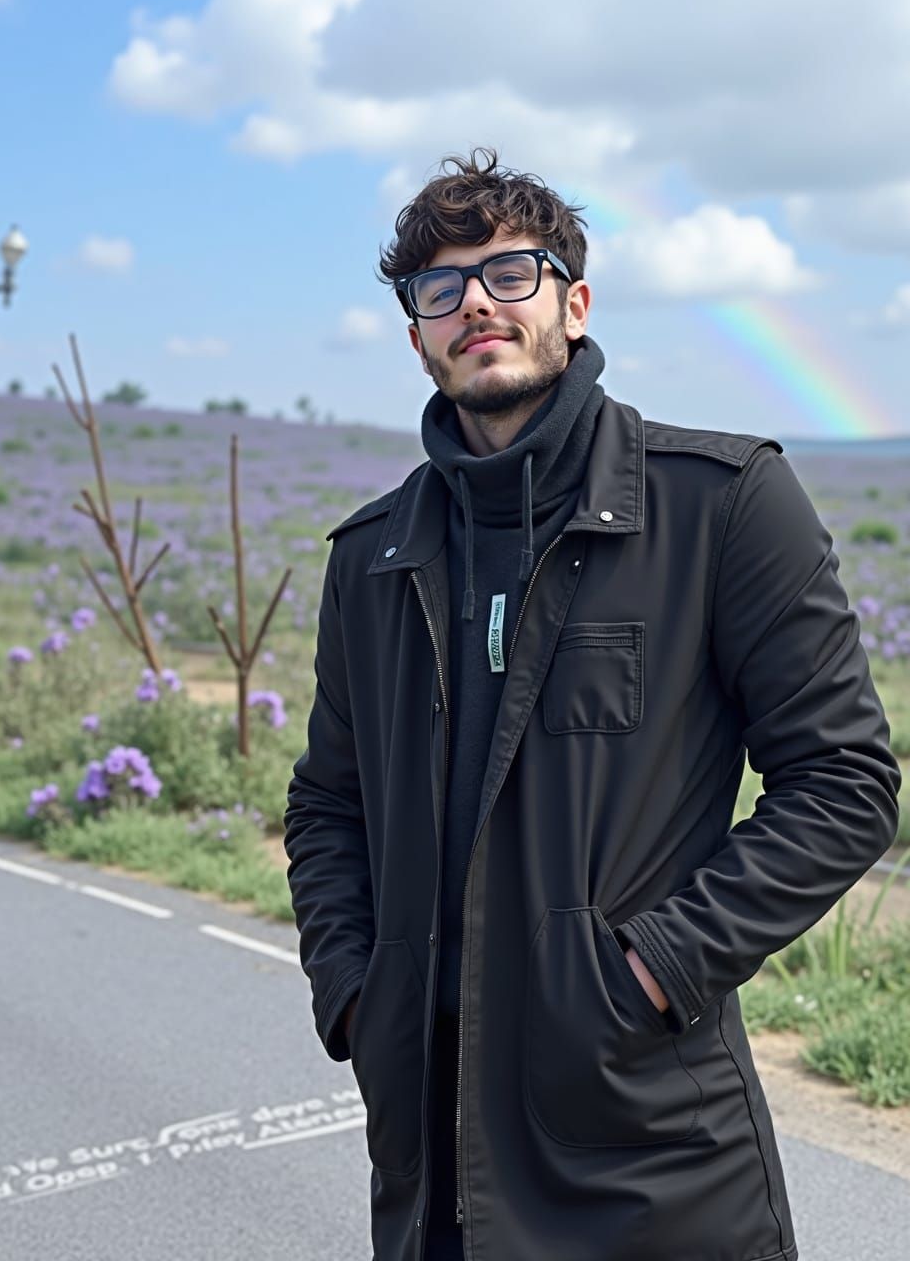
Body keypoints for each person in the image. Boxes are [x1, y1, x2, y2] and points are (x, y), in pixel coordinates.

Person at [282, 147, 901, 1261]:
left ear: (574, 305)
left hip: (652, 1154)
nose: (476, 302)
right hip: (431, 1156)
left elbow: (844, 784)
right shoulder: (372, 555)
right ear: (417, 336)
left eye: (510, 272)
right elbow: (329, 803)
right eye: (440, 288)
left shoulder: (720, 505)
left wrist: (653, 971)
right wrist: (355, 993)